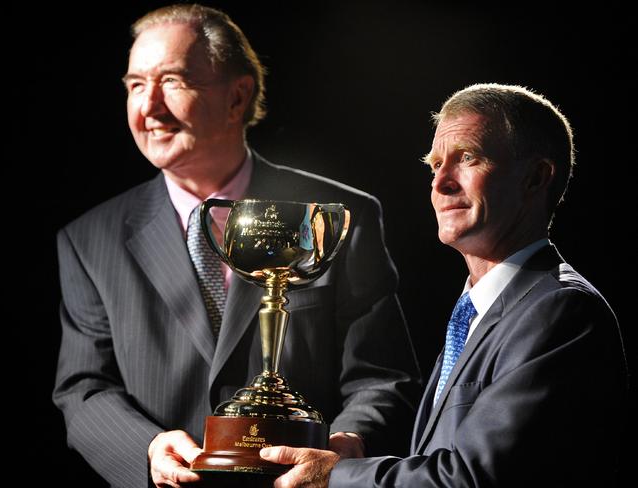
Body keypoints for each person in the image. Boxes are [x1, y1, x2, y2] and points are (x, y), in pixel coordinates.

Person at [52, 4, 420, 487]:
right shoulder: (89, 239)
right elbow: (83, 387)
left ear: (238, 96)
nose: (150, 107)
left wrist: (345, 446)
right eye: (136, 85)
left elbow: (382, 376)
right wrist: (146, 449)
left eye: (174, 81)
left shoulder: (340, 216)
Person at [260, 83, 628, 487]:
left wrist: (338, 477)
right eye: (435, 165)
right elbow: (441, 456)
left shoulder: (559, 311)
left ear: (536, 178)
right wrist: (354, 448)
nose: (440, 184)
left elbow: (472, 477)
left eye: (467, 158)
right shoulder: (478, 309)